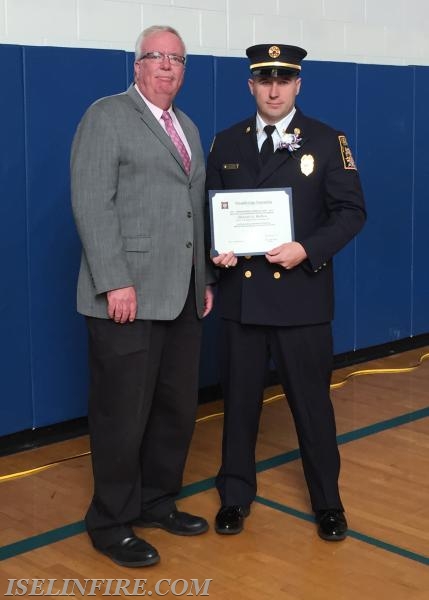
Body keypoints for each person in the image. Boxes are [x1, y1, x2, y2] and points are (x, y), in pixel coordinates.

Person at [206, 43, 366, 541]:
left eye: (284, 80)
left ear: (298, 85)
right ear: (250, 85)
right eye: (264, 80)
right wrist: (219, 252)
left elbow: (351, 213)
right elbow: (214, 213)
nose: (274, 89)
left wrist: (307, 249)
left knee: (313, 406)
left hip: (302, 298)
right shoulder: (225, 143)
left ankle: (328, 503)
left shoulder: (326, 139)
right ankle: (234, 496)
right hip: (243, 300)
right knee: (240, 404)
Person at [71, 25, 215, 567]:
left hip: (181, 295)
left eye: (176, 58)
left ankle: (157, 500)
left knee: (176, 410)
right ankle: (110, 520)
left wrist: (204, 279)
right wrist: (114, 279)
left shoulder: (188, 128)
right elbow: (91, 200)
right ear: (137, 65)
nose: (167, 66)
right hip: (125, 296)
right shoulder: (107, 116)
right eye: (156, 57)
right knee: (121, 414)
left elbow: (191, 213)